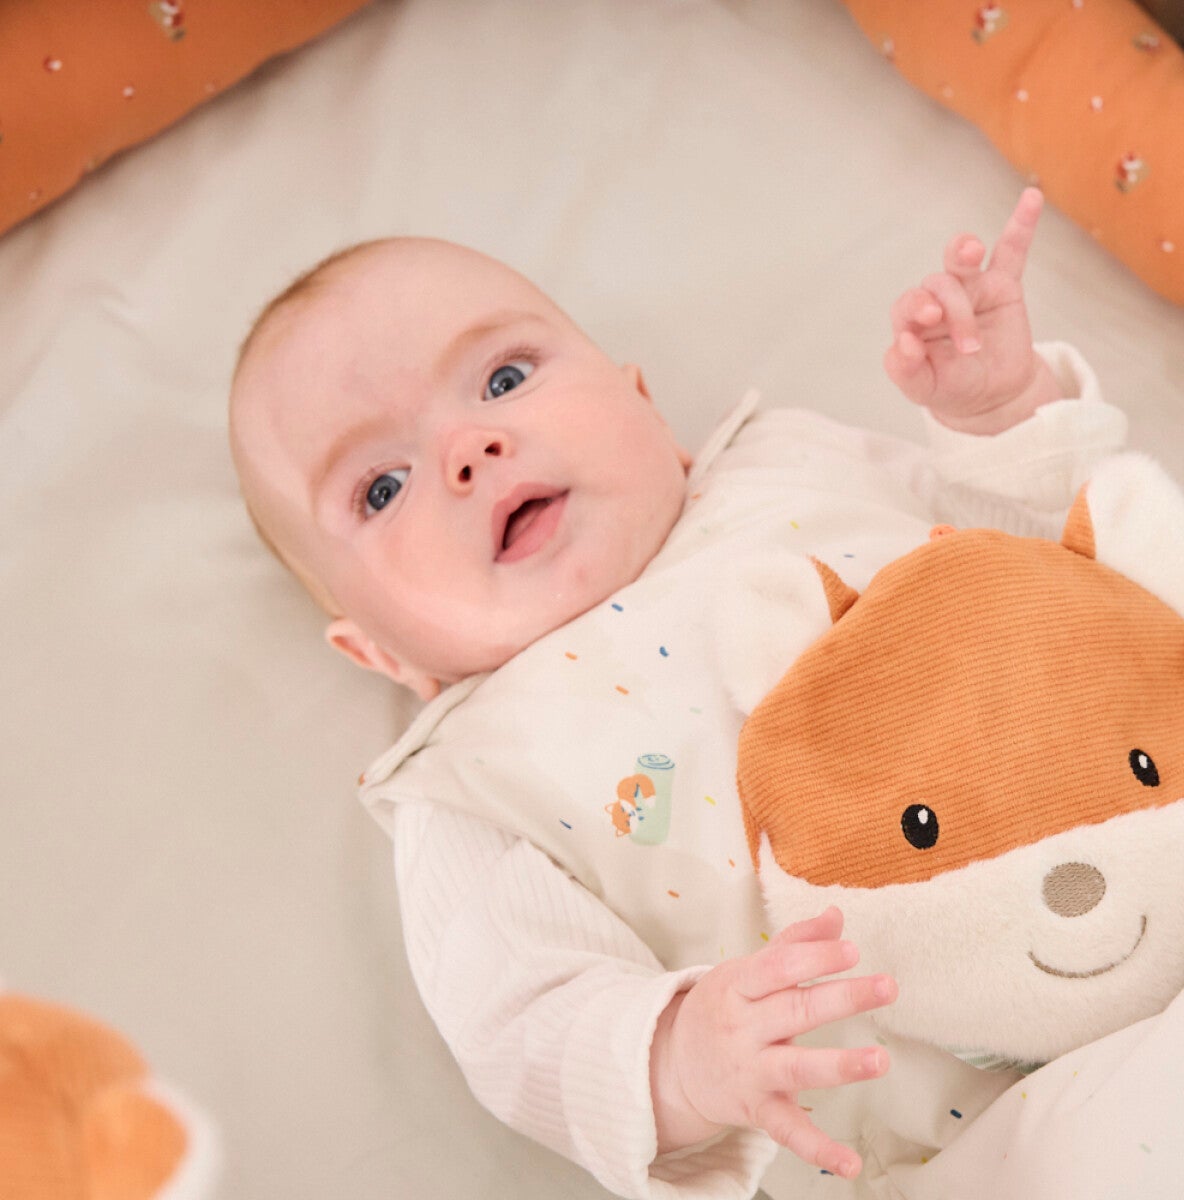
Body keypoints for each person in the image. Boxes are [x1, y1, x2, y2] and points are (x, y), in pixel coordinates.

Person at [227, 188, 1130, 1199]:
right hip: (995, 1132)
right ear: (379, 652)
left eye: (504, 377)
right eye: (382, 488)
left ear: (645, 407)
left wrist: (1002, 416)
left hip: (1176, 847)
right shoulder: (473, 787)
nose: (469, 451)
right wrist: (677, 1060)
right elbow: (522, 1021)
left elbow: (1068, 568)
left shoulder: (789, 461)